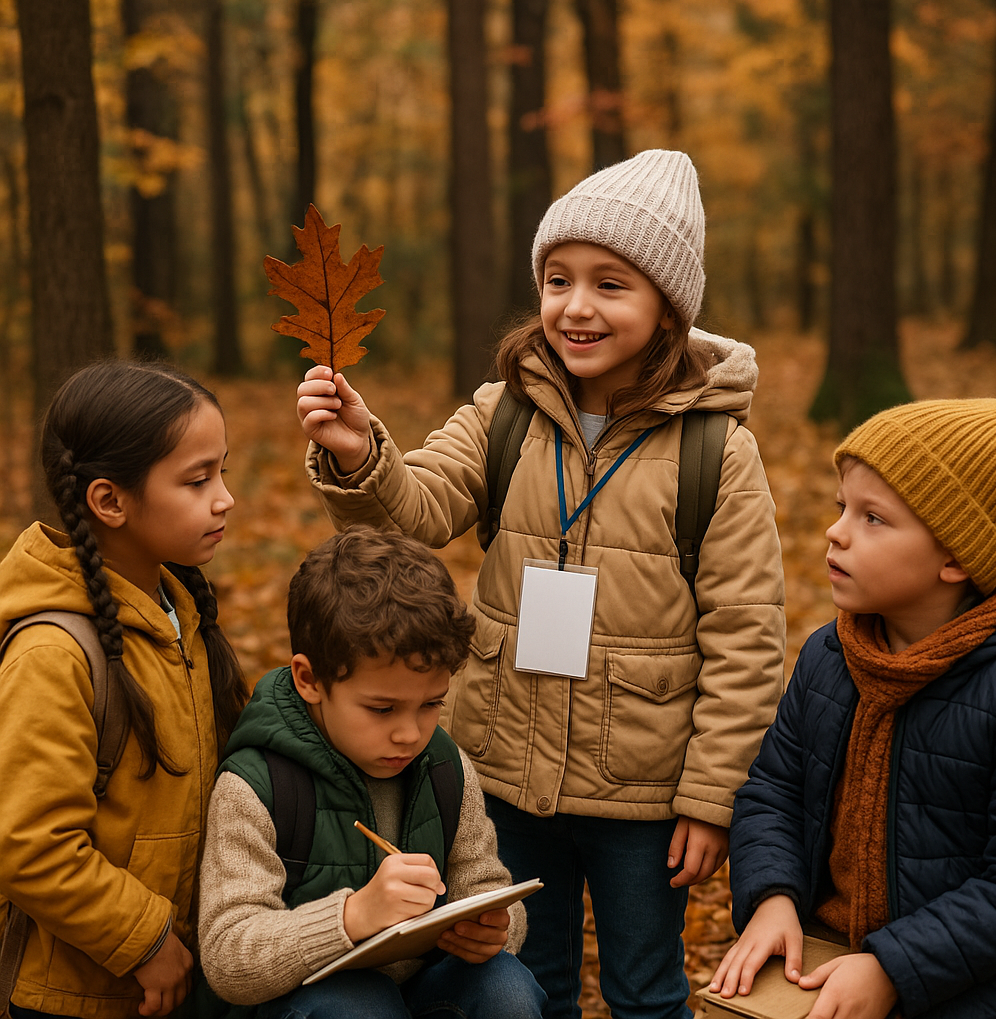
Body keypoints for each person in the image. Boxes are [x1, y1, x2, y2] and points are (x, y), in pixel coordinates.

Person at [295, 149, 786, 1019]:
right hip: (508, 773)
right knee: (538, 982)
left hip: (644, 789)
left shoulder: (718, 451)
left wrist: (712, 801)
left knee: (645, 989)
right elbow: (418, 510)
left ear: (667, 306)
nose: (577, 306)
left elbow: (747, 639)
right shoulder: (505, 411)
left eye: (611, 284)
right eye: (559, 279)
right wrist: (361, 455)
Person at [712, 398, 996, 1019]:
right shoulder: (832, 653)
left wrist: (893, 968)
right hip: (823, 959)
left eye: (874, 518)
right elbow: (774, 791)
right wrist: (772, 896)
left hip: (967, 986)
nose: (837, 531)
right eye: (842, 508)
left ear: (957, 558)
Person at [198, 525, 546, 1018]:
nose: (410, 733)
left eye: (430, 705)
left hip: (421, 986)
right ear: (309, 680)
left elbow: (483, 882)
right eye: (383, 709)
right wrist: (352, 916)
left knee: (505, 991)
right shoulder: (257, 786)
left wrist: (496, 924)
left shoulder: (445, 767)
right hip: (309, 1005)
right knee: (359, 1006)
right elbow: (228, 956)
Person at [0, 360, 248, 1018]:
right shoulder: (53, 653)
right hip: (75, 997)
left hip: (176, 982)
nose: (224, 497)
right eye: (197, 480)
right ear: (109, 501)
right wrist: (145, 940)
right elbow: (30, 844)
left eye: (223, 470)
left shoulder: (177, 610)